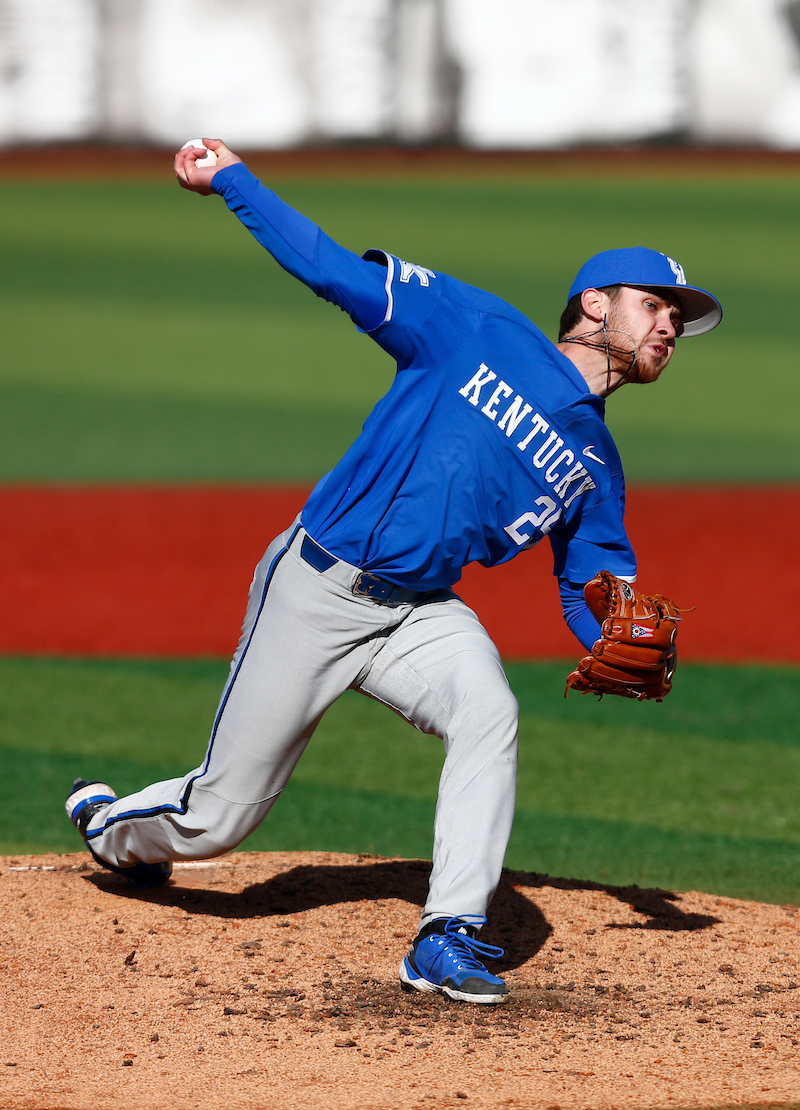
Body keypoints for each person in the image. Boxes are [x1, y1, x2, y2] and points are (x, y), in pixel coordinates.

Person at [66, 139, 722, 1005]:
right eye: (656, 305)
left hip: (418, 613)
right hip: (317, 585)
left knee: (489, 711)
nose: (671, 325)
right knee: (217, 820)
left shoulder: (595, 463)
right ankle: (114, 828)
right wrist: (232, 180)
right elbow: (335, 270)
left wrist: (612, 629)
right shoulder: (476, 327)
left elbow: (592, 578)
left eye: (680, 317)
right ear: (595, 305)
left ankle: (447, 937)